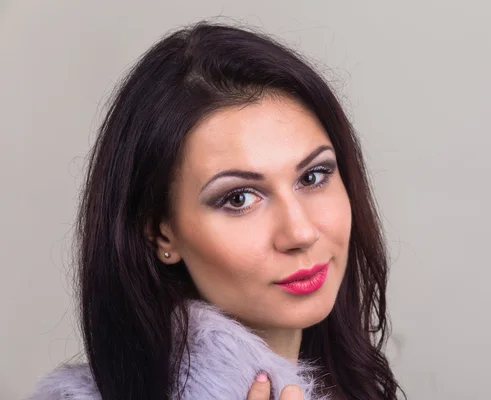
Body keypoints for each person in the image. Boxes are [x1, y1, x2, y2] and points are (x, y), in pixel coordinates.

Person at [29, 21, 404, 400]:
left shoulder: (354, 384)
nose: (301, 232)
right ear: (161, 232)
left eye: (313, 176)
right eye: (239, 198)